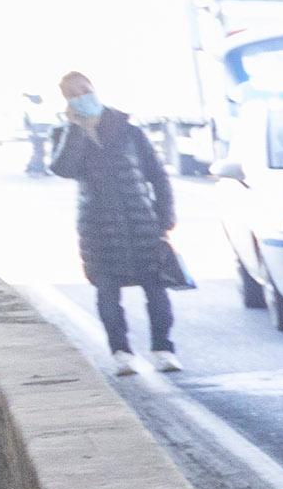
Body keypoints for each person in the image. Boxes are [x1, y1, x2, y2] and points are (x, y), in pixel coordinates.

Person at [49, 73, 184, 376]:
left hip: (141, 223)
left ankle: (163, 348)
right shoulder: (64, 133)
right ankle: (121, 352)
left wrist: (164, 216)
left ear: (94, 89)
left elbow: (158, 176)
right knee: (108, 292)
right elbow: (63, 169)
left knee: (156, 287)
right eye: (73, 94)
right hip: (98, 228)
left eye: (84, 90)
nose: (81, 96)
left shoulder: (128, 130)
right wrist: (76, 130)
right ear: (66, 101)